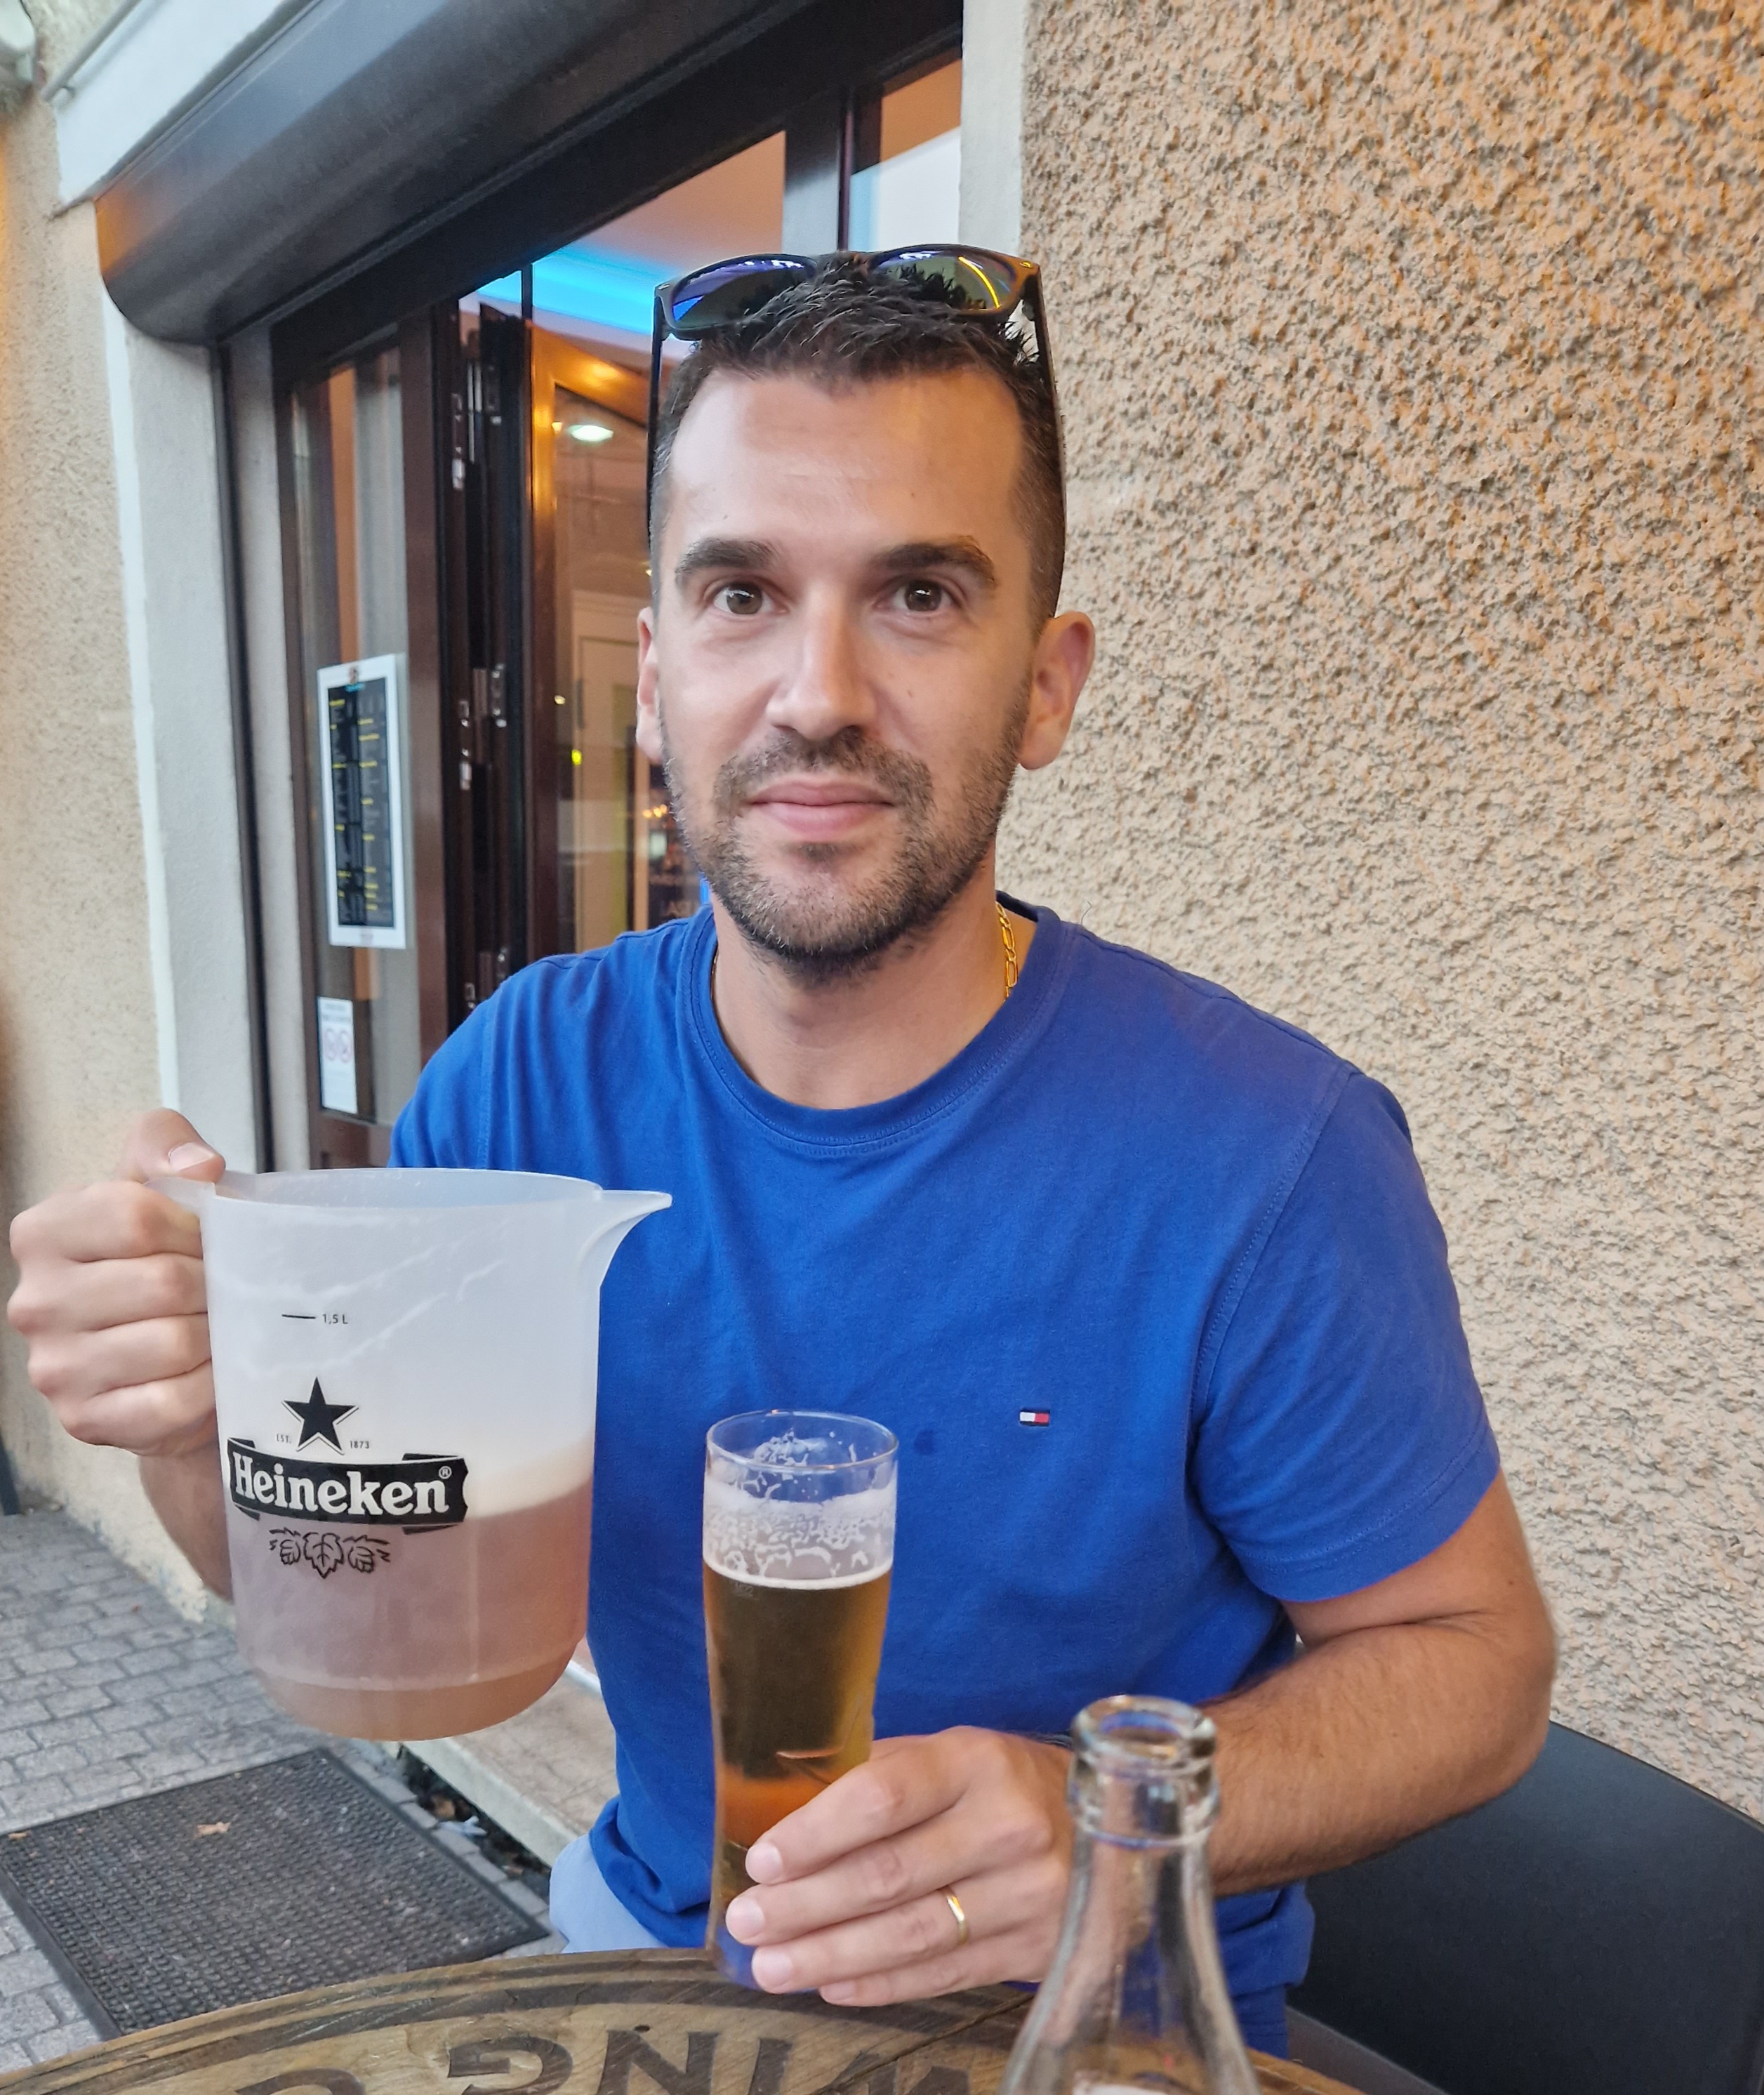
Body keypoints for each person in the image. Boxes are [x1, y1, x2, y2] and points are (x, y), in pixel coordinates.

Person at [8, 251, 1554, 2056]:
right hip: (648, 1959)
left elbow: (1480, 1668)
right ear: (654, 677)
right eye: (742, 592)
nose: (818, 691)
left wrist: (1097, 1819)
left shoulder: (1269, 1154)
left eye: (919, 593)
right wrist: (197, 1410)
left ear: (1046, 687)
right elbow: (360, 1576)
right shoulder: (524, 1081)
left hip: (1090, 2022)